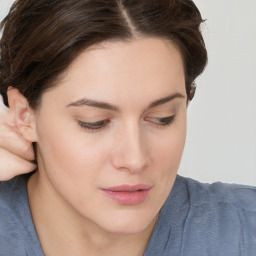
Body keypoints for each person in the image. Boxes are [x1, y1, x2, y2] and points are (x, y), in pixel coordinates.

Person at [0, 0, 255, 255]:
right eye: (94, 122)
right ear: (25, 115)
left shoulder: (245, 232)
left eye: (161, 117)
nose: (135, 160)